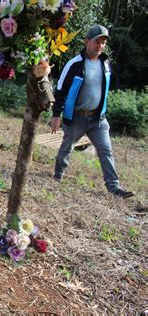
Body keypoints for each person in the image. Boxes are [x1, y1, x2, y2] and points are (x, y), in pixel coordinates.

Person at [51, 25, 134, 198]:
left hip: (98, 118)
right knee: (66, 148)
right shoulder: (74, 64)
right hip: (76, 117)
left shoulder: (105, 63)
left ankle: (114, 187)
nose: (100, 46)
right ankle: (57, 177)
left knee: (106, 151)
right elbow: (60, 90)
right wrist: (56, 115)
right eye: (97, 41)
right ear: (87, 41)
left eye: (103, 43)